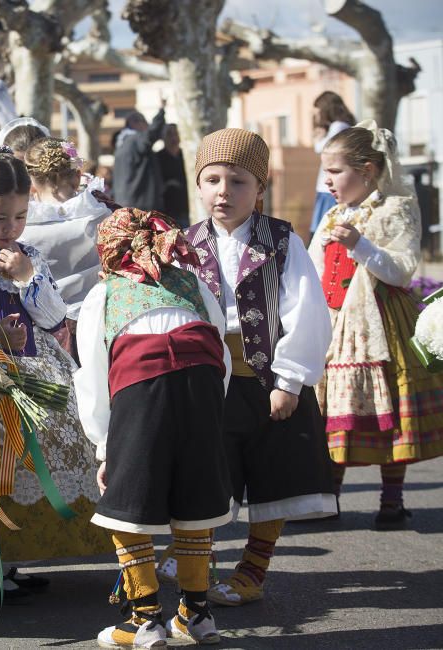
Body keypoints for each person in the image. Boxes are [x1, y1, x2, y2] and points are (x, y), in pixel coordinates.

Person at [0, 145, 107, 602]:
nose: (10, 229)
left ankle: (15, 557)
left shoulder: (26, 254)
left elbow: (52, 318)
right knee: (0, 450)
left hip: (38, 365)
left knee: (68, 431)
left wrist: (29, 277)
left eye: (20, 217)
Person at [176, 128, 335, 608]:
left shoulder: (281, 241)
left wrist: (289, 380)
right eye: (213, 179)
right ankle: (194, 558)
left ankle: (253, 569)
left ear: (261, 189)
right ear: (199, 185)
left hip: (267, 378)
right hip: (208, 379)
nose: (224, 191)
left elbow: (306, 310)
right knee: (205, 471)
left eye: (239, 181)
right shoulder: (183, 244)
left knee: (272, 473)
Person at [74, 207, 232, 647]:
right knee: (195, 497)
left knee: (127, 499)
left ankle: (142, 620)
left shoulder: (104, 295)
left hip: (141, 391)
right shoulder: (191, 282)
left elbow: (93, 375)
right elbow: (219, 346)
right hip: (202, 388)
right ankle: (197, 616)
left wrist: (106, 449)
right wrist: (207, 412)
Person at [310, 122, 443, 530]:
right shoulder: (333, 214)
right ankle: (329, 497)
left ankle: (391, 500)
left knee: (391, 410)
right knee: (332, 408)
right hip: (335, 322)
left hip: (379, 323)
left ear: (367, 170)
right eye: (326, 172)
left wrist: (360, 245)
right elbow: (316, 266)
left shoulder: (396, 208)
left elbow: (400, 271)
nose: (327, 180)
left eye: (335, 172)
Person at [21, 137, 118, 355]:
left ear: (31, 183)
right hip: (101, 323)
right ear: (76, 177)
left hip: (44, 331)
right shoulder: (102, 215)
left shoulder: (21, 227)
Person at [309, 91, 355, 236]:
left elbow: (323, 148)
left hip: (328, 189)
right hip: (327, 189)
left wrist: (317, 138)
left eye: (319, 111)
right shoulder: (341, 126)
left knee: (323, 231)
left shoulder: (339, 126)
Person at [112, 103, 166, 212]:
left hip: (124, 204)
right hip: (141, 205)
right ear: (134, 123)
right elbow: (152, 134)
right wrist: (161, 112)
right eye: (145, 122)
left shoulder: (121, 144)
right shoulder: (135, 140)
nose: (147, 126)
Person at [155, 124, 189, 227]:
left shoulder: (186, 156)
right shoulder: (157, 158)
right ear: (163, 138)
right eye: (169, 134)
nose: (173, 138)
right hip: (167, 211)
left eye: (176, 134)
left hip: (187, 208)